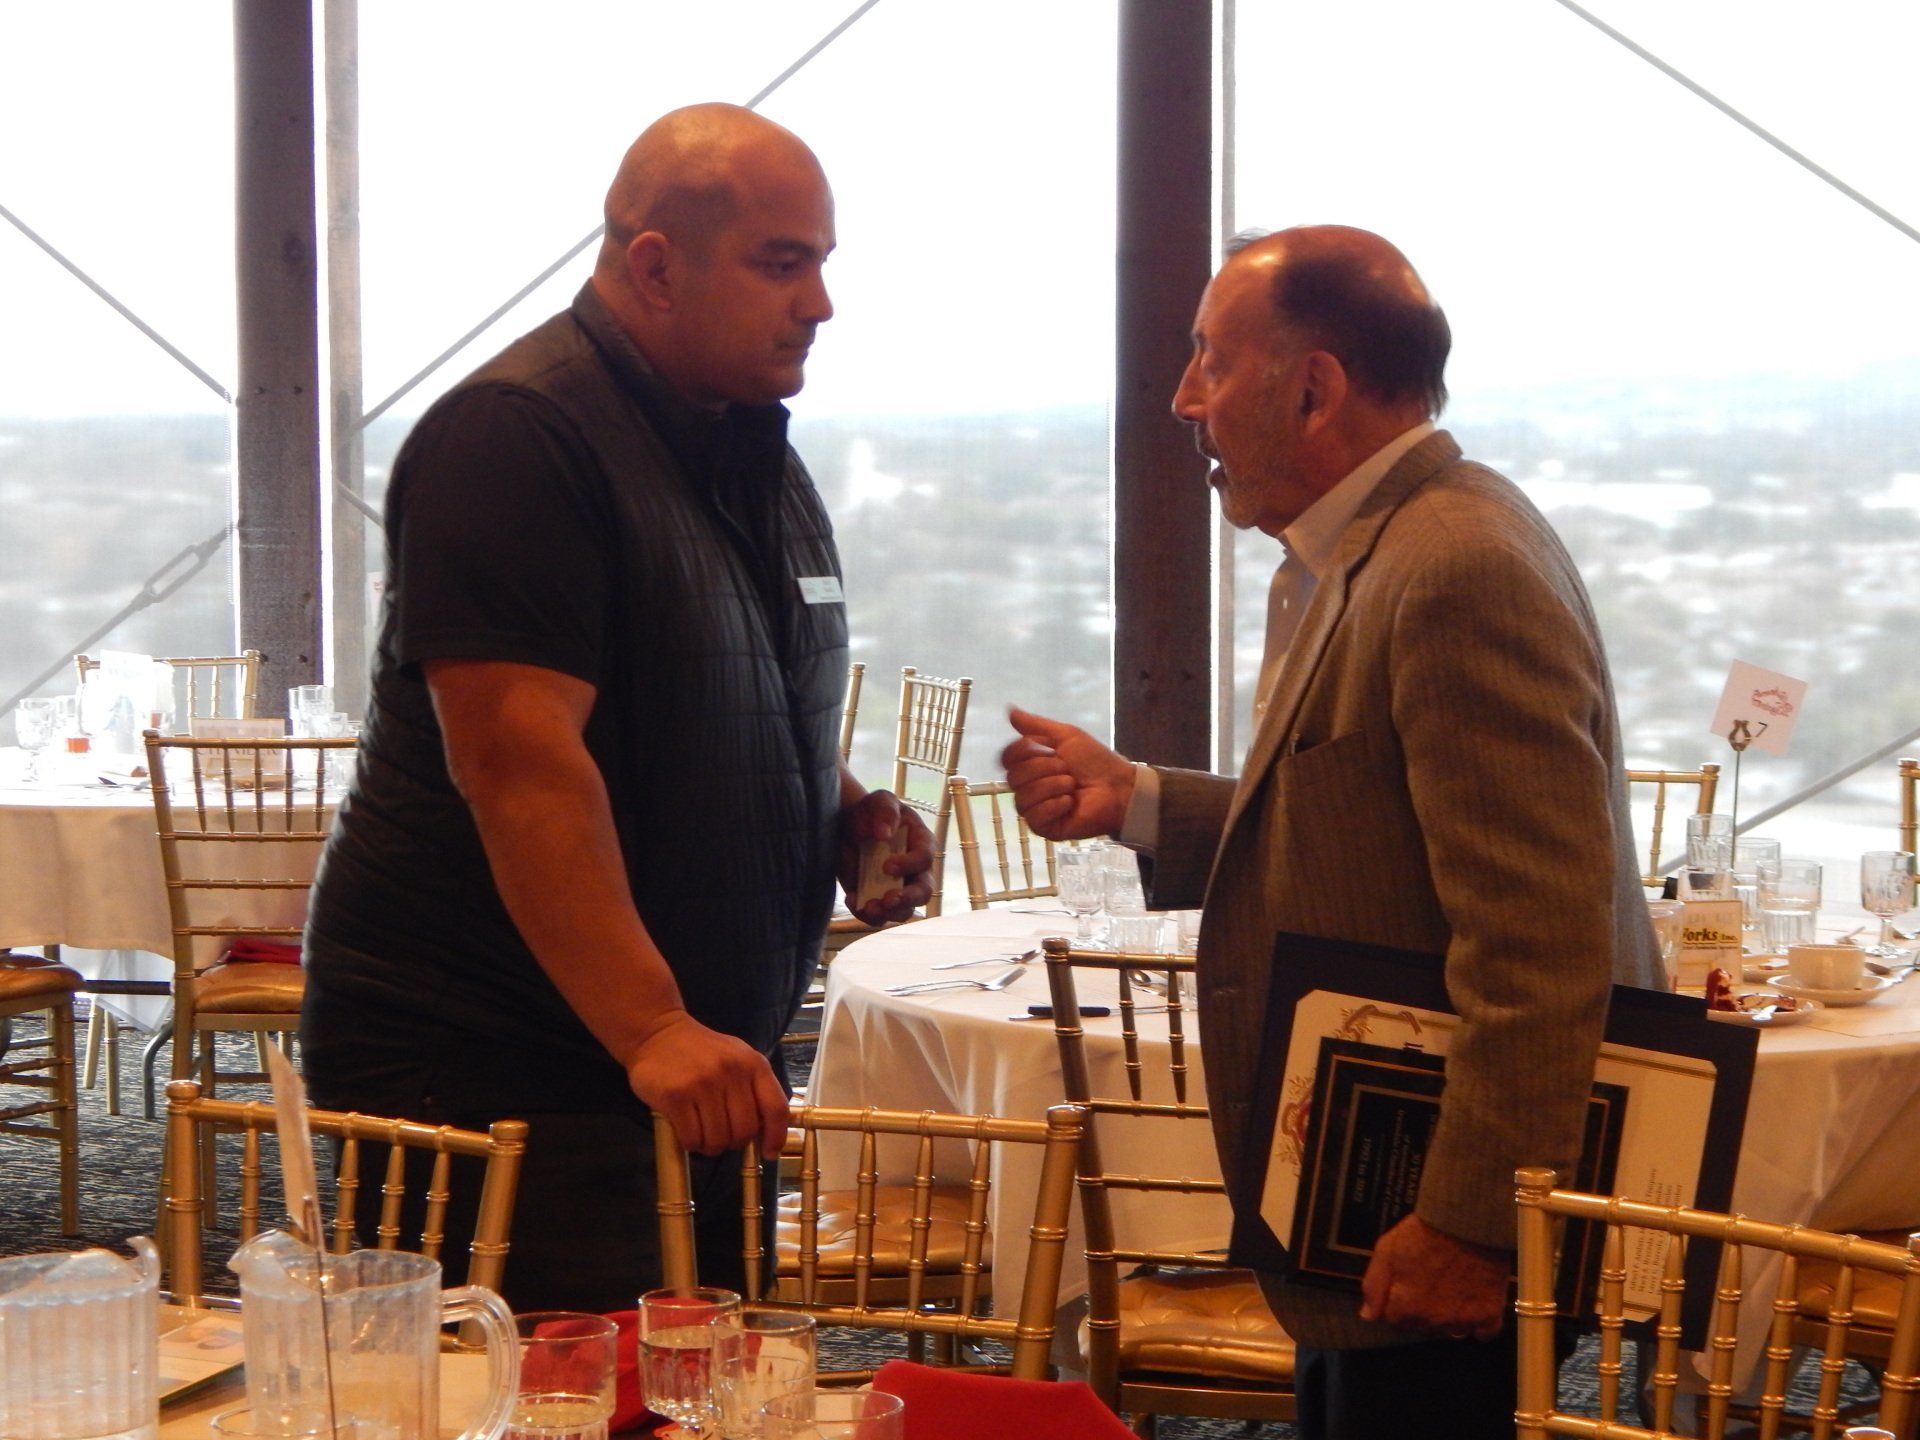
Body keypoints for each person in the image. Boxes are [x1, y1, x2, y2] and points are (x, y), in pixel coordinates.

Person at [1002, 226, 1663, 1439]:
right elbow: (1354, 821)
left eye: (1209, 358)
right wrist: (1137, 799)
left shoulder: (1456, 566)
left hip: (1428, 1221)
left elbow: (1540, 948)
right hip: (1362, 1215)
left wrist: (1466, 1225)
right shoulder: (1370, 552)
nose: (1182, 397)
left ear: (1311, 387)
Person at [301, 103, 931, 1311]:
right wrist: (651, 1027)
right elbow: (517, 760)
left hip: (684, 1067)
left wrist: (841, 818)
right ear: (654, 265)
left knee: (699, 1388)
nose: (819, 304)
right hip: (510, 1066)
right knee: (556, 1403)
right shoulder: (517, 437)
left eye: (822, 264)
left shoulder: (747, 447)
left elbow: (725, 689)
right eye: (781, 263)